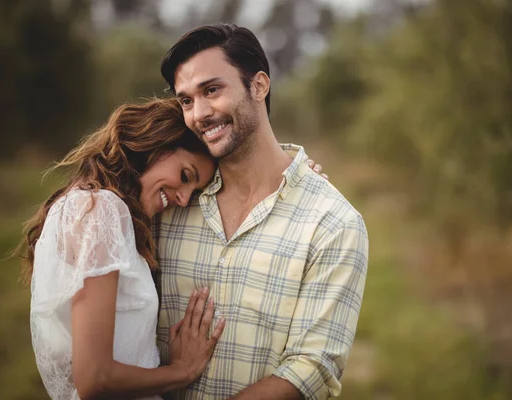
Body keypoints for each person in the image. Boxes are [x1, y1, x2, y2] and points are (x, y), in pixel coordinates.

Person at [155, 23, 368, 399]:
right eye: (186, 100)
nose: (199, 114)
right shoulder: (172, 201)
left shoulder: (332, 222)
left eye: (212, 90)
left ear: (259, 86)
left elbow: (311, 369)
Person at [17, 98, 226, 400]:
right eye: (185, 176)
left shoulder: (98, 209)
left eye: (192, 192)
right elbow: (95, 379)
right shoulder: (102, 210)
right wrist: (182, 370)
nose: (183, 198)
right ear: (157, 145)